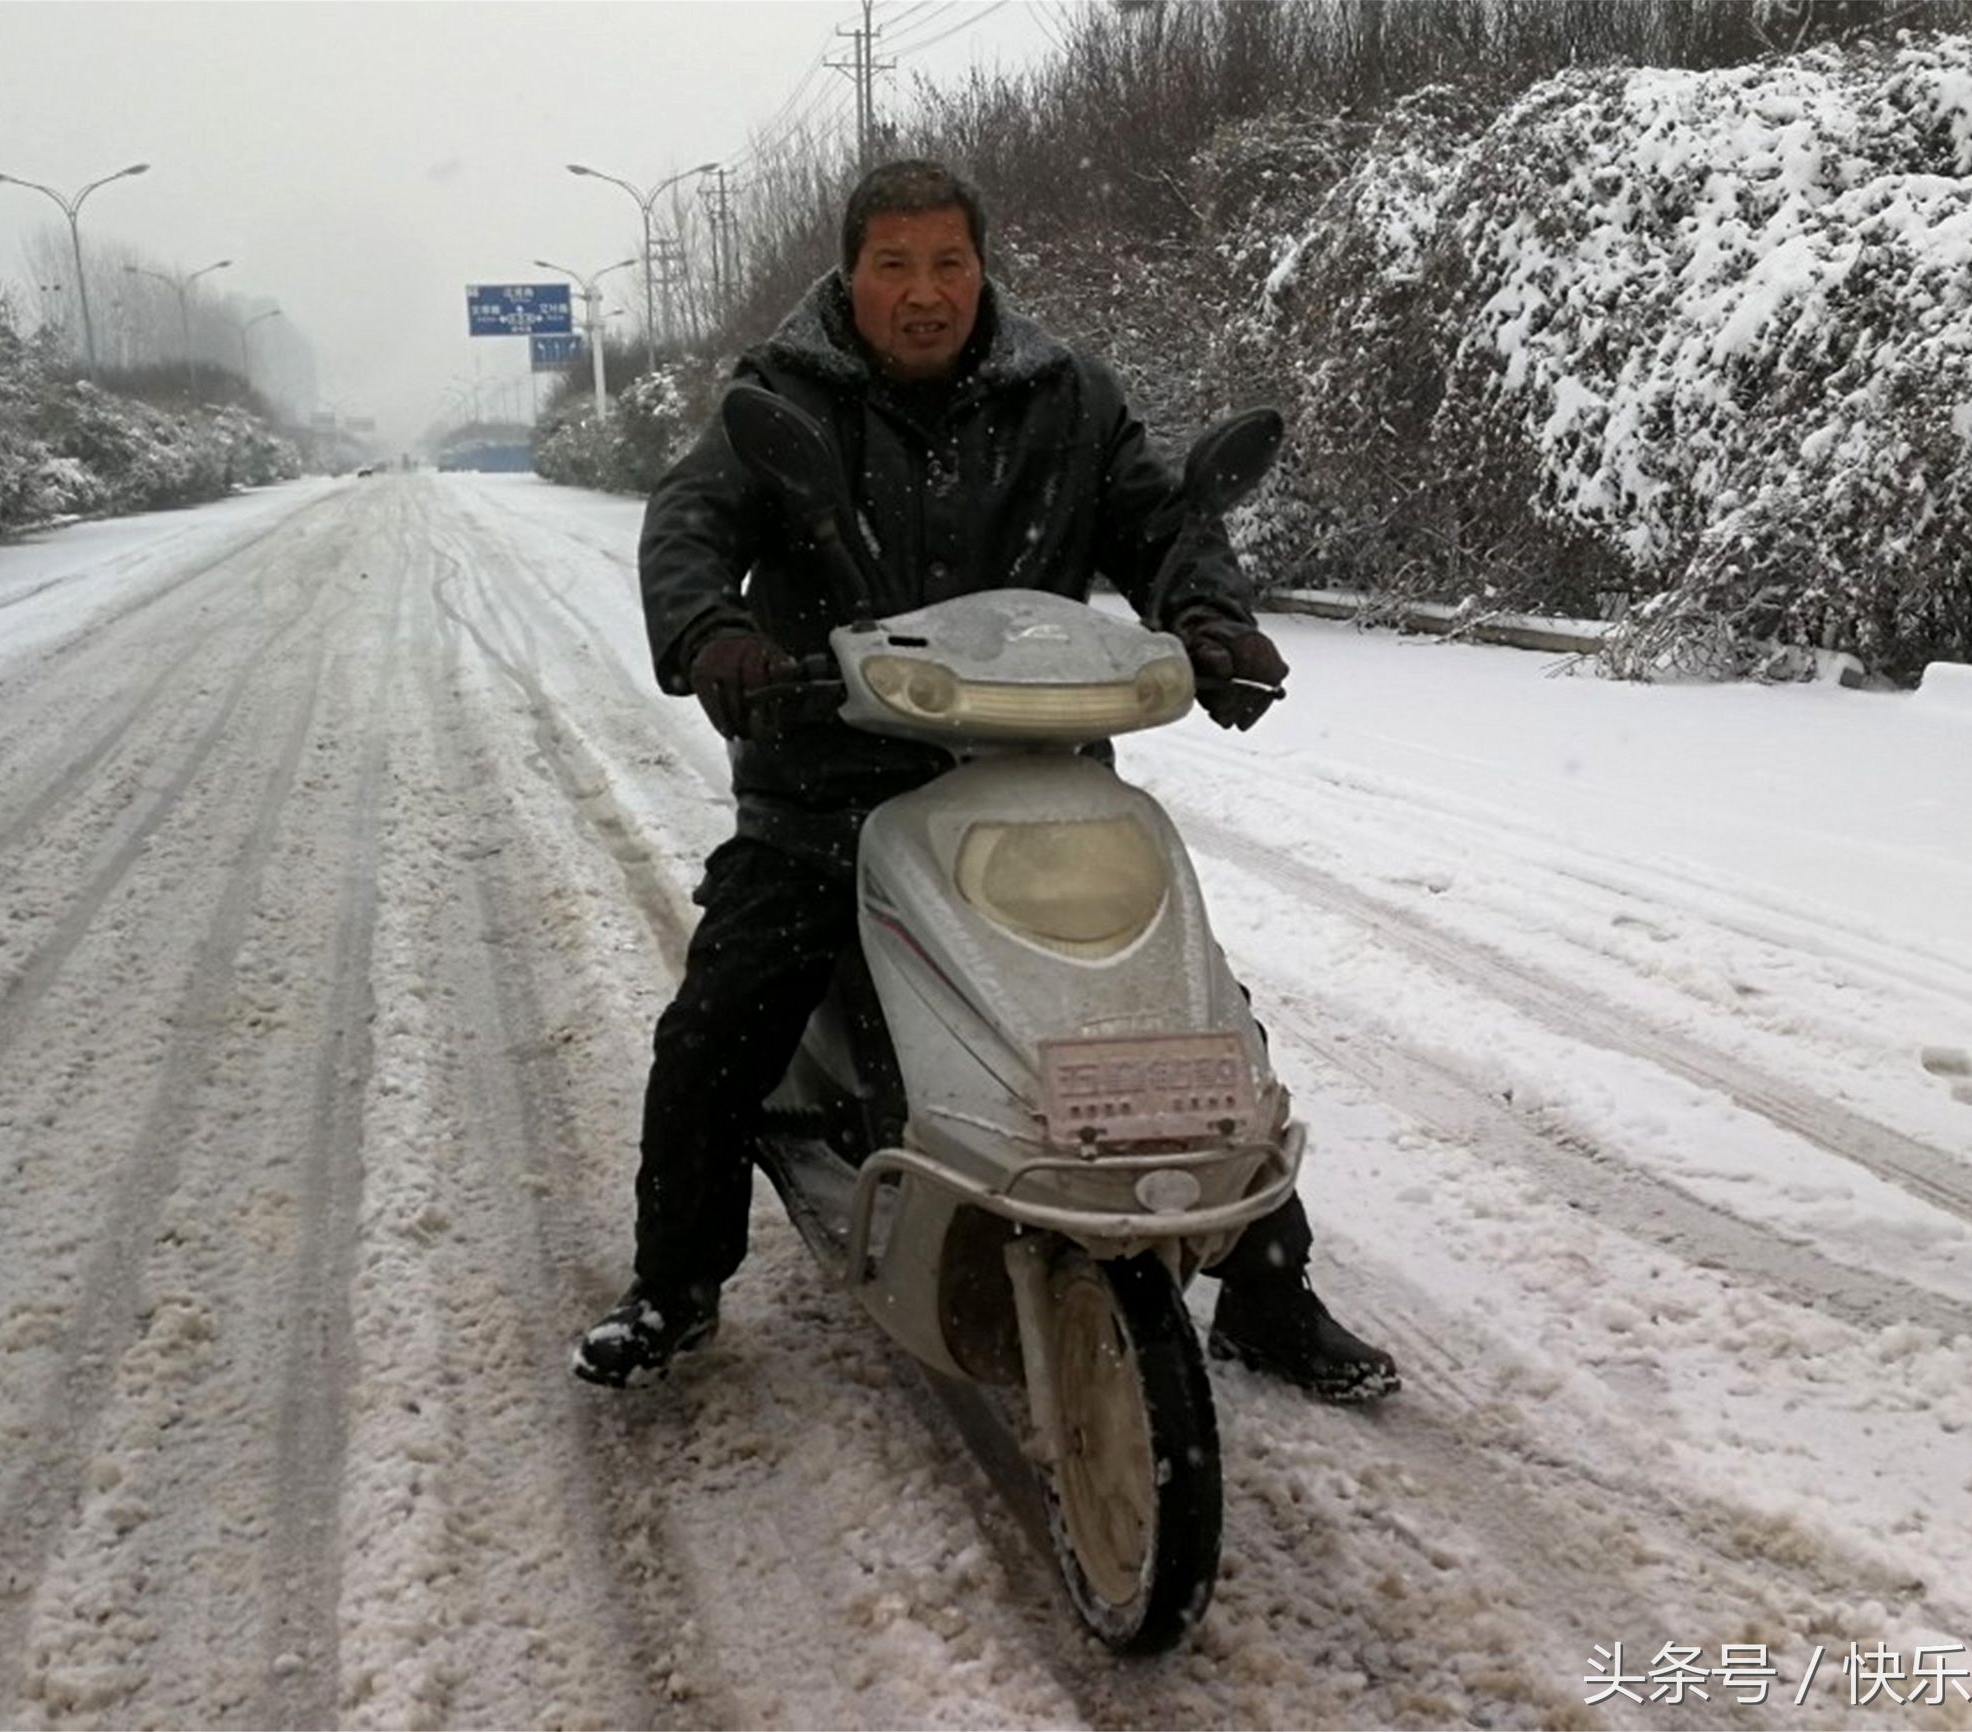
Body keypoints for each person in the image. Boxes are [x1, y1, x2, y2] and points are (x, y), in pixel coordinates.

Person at [573, 159, 1399, 1406]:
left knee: (1195, 1014)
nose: (923, 293)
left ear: (982, 268)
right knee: (715, 1029)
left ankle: (1267, 1288)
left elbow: (1160, 522)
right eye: (893, 265)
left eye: (947, 263)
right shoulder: (777, 399)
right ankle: (674, 1285)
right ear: (848, 276)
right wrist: (714, 640)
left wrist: (1211, 623)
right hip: (827, 794)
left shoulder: (1063, 397)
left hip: (1033, 776)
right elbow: (689, 524)